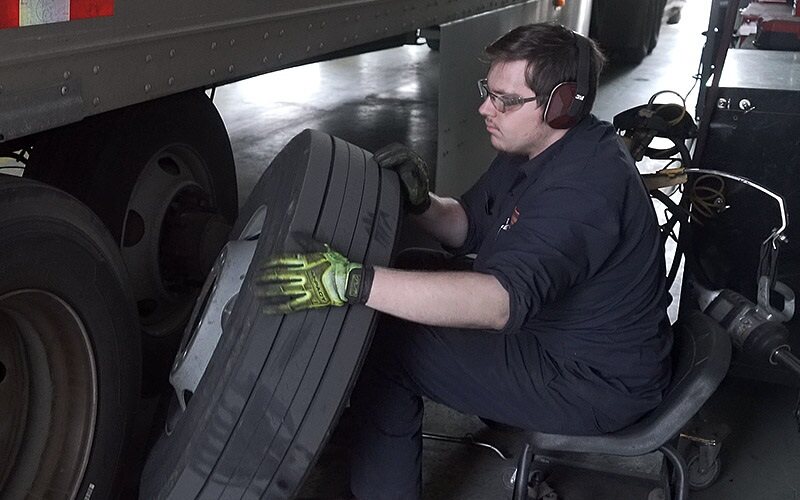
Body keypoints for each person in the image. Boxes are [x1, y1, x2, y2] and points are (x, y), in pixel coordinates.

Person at [258, 23, 672, 500]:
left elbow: (499, 303)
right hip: (553, 341)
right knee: (411, 264)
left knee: (389, 347)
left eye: (505, 100)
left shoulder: (584, 188)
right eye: (487, 92)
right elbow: (470, 227)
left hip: (592, 385)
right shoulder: (534, 148)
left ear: (562, 105)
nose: (484, 109)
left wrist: (354, 283)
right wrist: (422, 203)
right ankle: (377, 430)